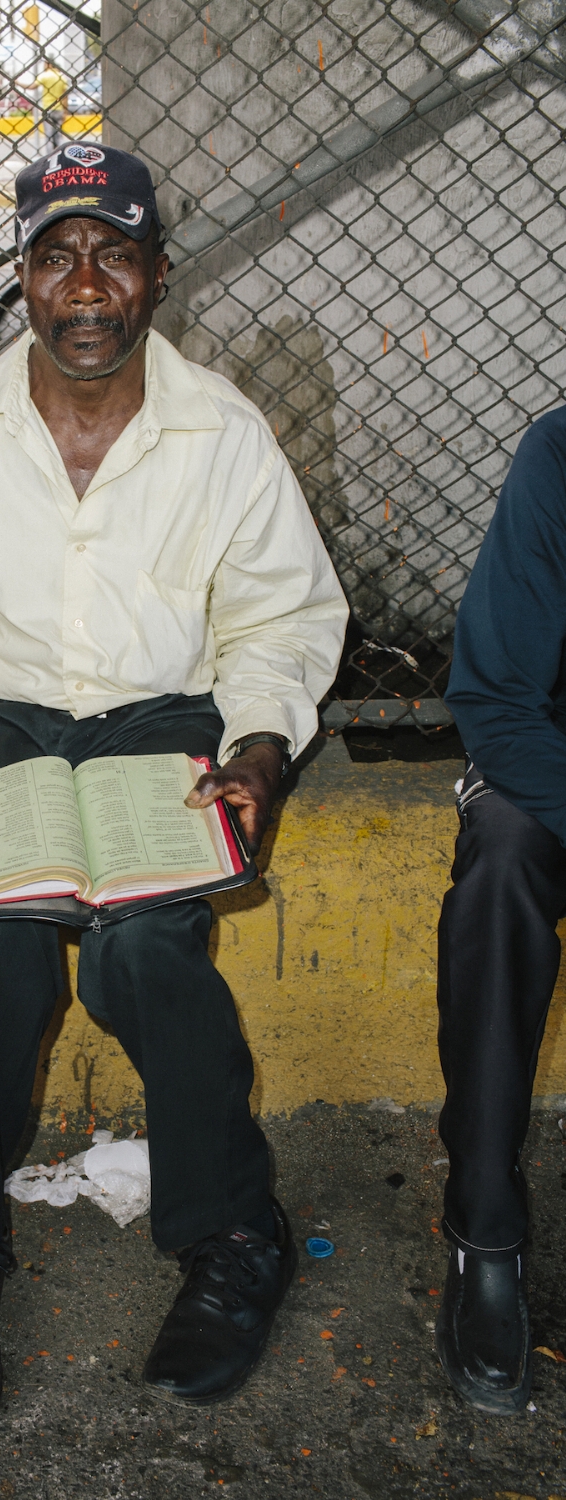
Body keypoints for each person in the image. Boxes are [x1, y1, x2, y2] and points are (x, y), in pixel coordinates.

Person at [0, 144, 348, 1423]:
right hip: (3, 727)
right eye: (57, 257)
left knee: (145, 950)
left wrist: (256, 751)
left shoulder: (223, 433)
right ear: (23, 276)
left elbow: (279, 620)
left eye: (113, 256)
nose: (85, 286)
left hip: (163, 719)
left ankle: (234, 1232)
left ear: (157, 276)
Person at [435, 409, 566, 1413]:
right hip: (550, 765)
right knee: (501, 866)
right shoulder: (560, 453)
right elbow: (495, 696)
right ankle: (485, 1228)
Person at [21, 57, 68, 147]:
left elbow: (31, 87)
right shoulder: (62, 77)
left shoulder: (44, 76)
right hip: (59, 109)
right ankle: (60, 151)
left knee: (49, 136)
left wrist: (17, 83)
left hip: (47, 109)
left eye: (44, 64)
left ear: (48, 64)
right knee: (58, 135)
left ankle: (50, 154)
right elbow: (65, 97)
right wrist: (65, 111)